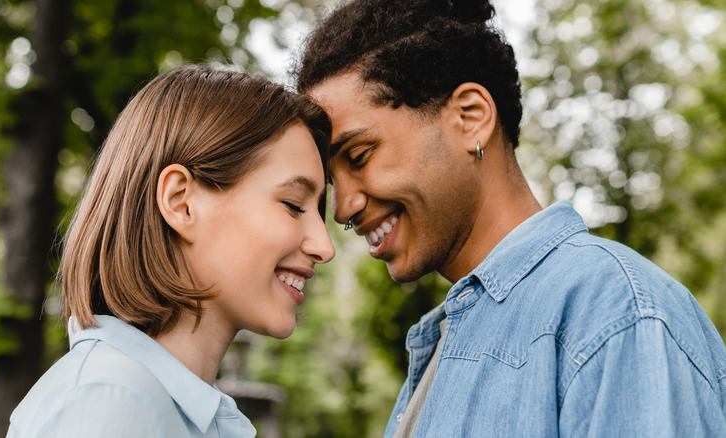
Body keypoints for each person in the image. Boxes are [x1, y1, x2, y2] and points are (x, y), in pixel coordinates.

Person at [296, 0, 726, 436]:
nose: (342, 208)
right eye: (333, 180)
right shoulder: (442, 343)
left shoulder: (614, 313)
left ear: (470, 118)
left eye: (359, 155)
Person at [6, 64, 335, 437]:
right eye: (293, 204)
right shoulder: (112, 402)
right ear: (181, 203)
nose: (324, 246)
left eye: (319, 211)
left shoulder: (156, 404)